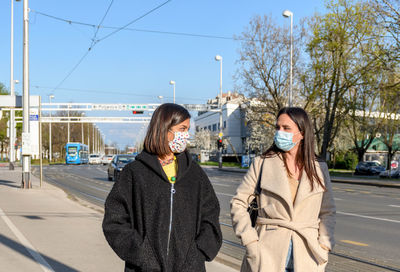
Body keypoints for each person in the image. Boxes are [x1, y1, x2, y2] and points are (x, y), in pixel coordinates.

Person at [103, 103, 222, 272]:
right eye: (182, 129)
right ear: (164, 128)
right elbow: (114, 220)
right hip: (143, 268)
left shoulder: (195, 174)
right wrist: (141, 254)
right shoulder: (135, 173)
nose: (186, 135)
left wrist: (197, 254)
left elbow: (210, 218)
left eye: (187, 129)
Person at [231, 107, 336, 272]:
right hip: (266, 251)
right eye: (278, 127)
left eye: (286, 128)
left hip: (308, 252)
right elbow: (238, 203)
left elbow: (328, 211)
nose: (280, 132)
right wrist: (251, 242)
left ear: (302, 133)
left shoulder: (319, 168)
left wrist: (324, 244)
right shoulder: (262, 163)